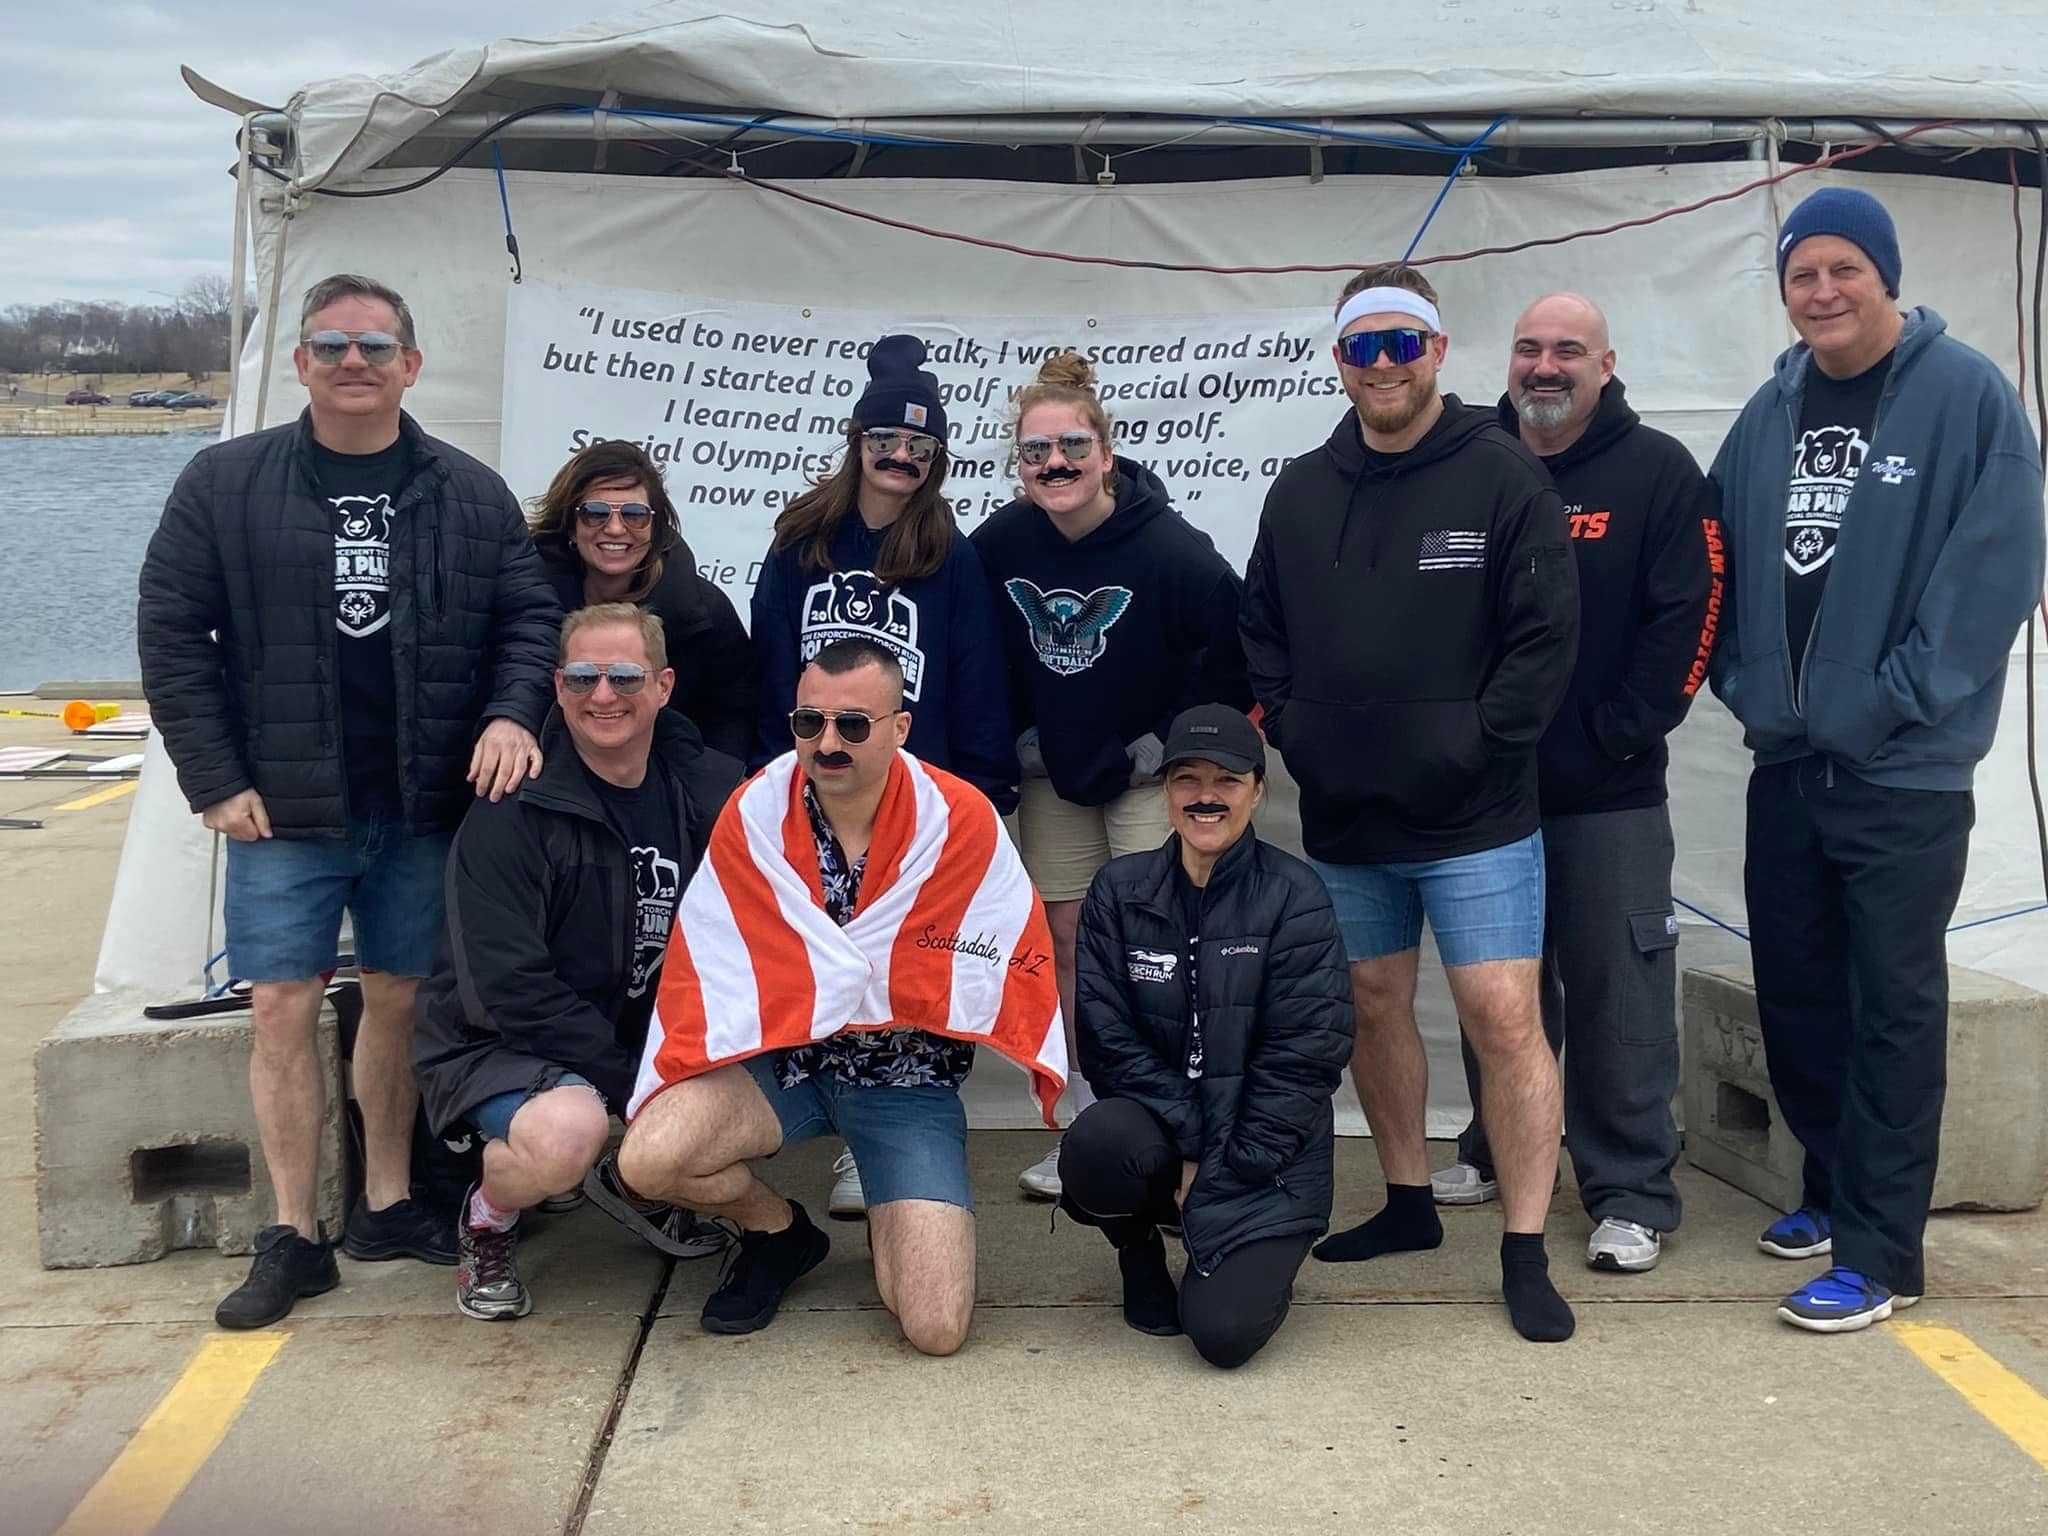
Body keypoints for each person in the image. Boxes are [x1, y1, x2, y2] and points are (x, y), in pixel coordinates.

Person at [137, 272, 561, 1329]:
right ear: (300, 365)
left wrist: (512, 717)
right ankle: (293, 1233)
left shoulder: (469, 492)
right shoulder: (223, 484)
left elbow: (527, 622)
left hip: (421, 806)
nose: (353, 362)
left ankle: (383, 1202)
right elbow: (170, 633)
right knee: (280, 1007)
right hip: (283, 811)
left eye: (374, 346)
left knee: (398, 999)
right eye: (330, 346)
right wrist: (213, 775)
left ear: (411, 365)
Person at [1709, 187, 2045, 1333]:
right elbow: (1720, 564)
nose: (1821, 292)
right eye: (1802, 274)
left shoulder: (1964, 398)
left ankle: (1879, 1255)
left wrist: (1894, 702)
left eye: (1843, 269)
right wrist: (1745, 685)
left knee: (1892, 1007)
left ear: (1883, 277)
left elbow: (1992, 574)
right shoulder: (1768, 411)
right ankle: (1829, 1188)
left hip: (1903, 774)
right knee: (1799, 996)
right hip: (1788, 763)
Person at [1240, 262, 1581, 1342]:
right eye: (1361, 345)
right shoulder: (1298, 488)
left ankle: (1524, 1249)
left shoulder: (1502, 476)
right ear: (1337, 361)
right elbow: (1263, 634)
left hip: (1475, 816)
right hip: (1348, 816)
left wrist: (1474, 747)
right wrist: (1301, 734)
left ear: (1436, 352)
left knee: (1501, 1018)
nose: (1382, 364)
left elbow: (1542, 644)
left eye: (1402, 343)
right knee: (1371, 1010)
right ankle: (1405, 1204)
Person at [616, 638, 1065, 1354]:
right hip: (783, 1066)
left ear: (899, 728)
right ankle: (778, 1233)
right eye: (808, 722)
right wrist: (830, 983)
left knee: (935, 1327)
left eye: (853, 724)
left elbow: (1000, 948)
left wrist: (869, 974)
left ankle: (897, 1213)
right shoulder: (756, 810)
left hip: (903, 1082)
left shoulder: (959, 818)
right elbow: (715, 952)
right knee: (649, 1160)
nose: (828, 743)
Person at [1433, 294, 1718, 1275]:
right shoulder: (1468, 461)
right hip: (1488, 792)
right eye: (1526, 348)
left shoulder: (1657, 473)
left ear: (1604, 365)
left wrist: (1615, 734)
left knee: (1616, 994)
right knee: (1498, 992)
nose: (1542, 366)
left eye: (1565, 350)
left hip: (1608, 795)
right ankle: (1493, 1146)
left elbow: (1689, 619)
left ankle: (1629, 1188)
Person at [971, 352, 1252, 1205]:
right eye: (1035, 452)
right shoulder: (999, 543)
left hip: (1144, 788)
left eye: (1072, 447)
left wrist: (1165, 746)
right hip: (1053, 781)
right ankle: (1092, 1128)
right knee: (1067, 946)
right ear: (1017, 463)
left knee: (1163, 950)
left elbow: (1237, 656)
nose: (1054, 465)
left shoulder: (1172, 549)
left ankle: (1179, 1131)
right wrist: (1017, 737)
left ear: (1106, 450)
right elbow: (974, 649)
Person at [412, 604, 744, 1319]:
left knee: (741, 1105)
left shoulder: (705, 792)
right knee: (569, 1135)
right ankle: (487, 1217)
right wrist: (635, 1084)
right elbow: (508, 989)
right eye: (583, 677)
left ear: (663, 686)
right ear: (557, 688)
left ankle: (637, 1182)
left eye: (624, 676)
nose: (603, 696)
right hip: (494, 1043)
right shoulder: (512, 806)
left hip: (626, 1037)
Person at [1063, 704, 1352, 1367]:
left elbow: (1305, 1059)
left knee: (1221, 1337)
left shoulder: (1295, 894)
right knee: (1099, 1142)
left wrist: (1220, 1168)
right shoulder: (1118, 891)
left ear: (1258, 789)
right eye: (1187, 779)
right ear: (1166, 793)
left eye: (1225, 779)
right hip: (1178, 1137)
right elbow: (1107, 1041)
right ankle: (1140, 1253)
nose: (1205, 796)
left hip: (1268, 1157)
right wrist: (1191, 1151)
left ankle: (1244, 1256)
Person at [749, 332, 1013, 796]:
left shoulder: (951, 554)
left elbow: (978, 683)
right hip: (812, 774)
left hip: (915, 787)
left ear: (937, 461)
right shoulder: (800, 540)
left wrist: (983, 788)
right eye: (884, 439)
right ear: (857, 443)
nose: (900, 456)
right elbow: (772, 668)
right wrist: (768, 771)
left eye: (921, 447)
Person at [528, 439, 753, 758]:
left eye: (635, 515)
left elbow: (733, 717)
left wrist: (708, 790)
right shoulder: (529, 602)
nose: (616, 529)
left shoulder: (705, 612)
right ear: (570, 525)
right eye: (595, 513)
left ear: (656, 525)